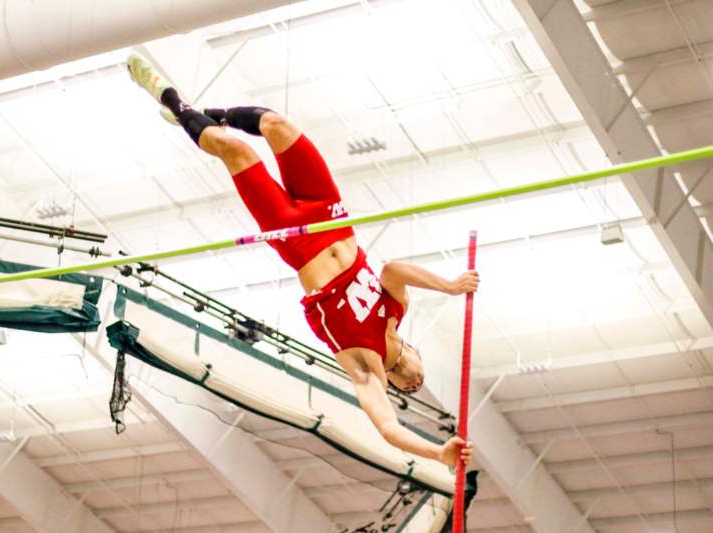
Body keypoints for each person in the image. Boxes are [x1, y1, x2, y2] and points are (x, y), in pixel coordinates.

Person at [127, 54, 478, 470]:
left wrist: (437, 453)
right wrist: (451, 286)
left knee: (235, 151)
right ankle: (209, 115)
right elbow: (394, 270)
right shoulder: (396, 310)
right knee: (276, 125)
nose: (415, 382)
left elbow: (387, 428)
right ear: (418, 354)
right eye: (420, 379)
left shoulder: (365, 367)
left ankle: (174, 102)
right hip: (328, 212)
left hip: (297, 241)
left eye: (410, 389)